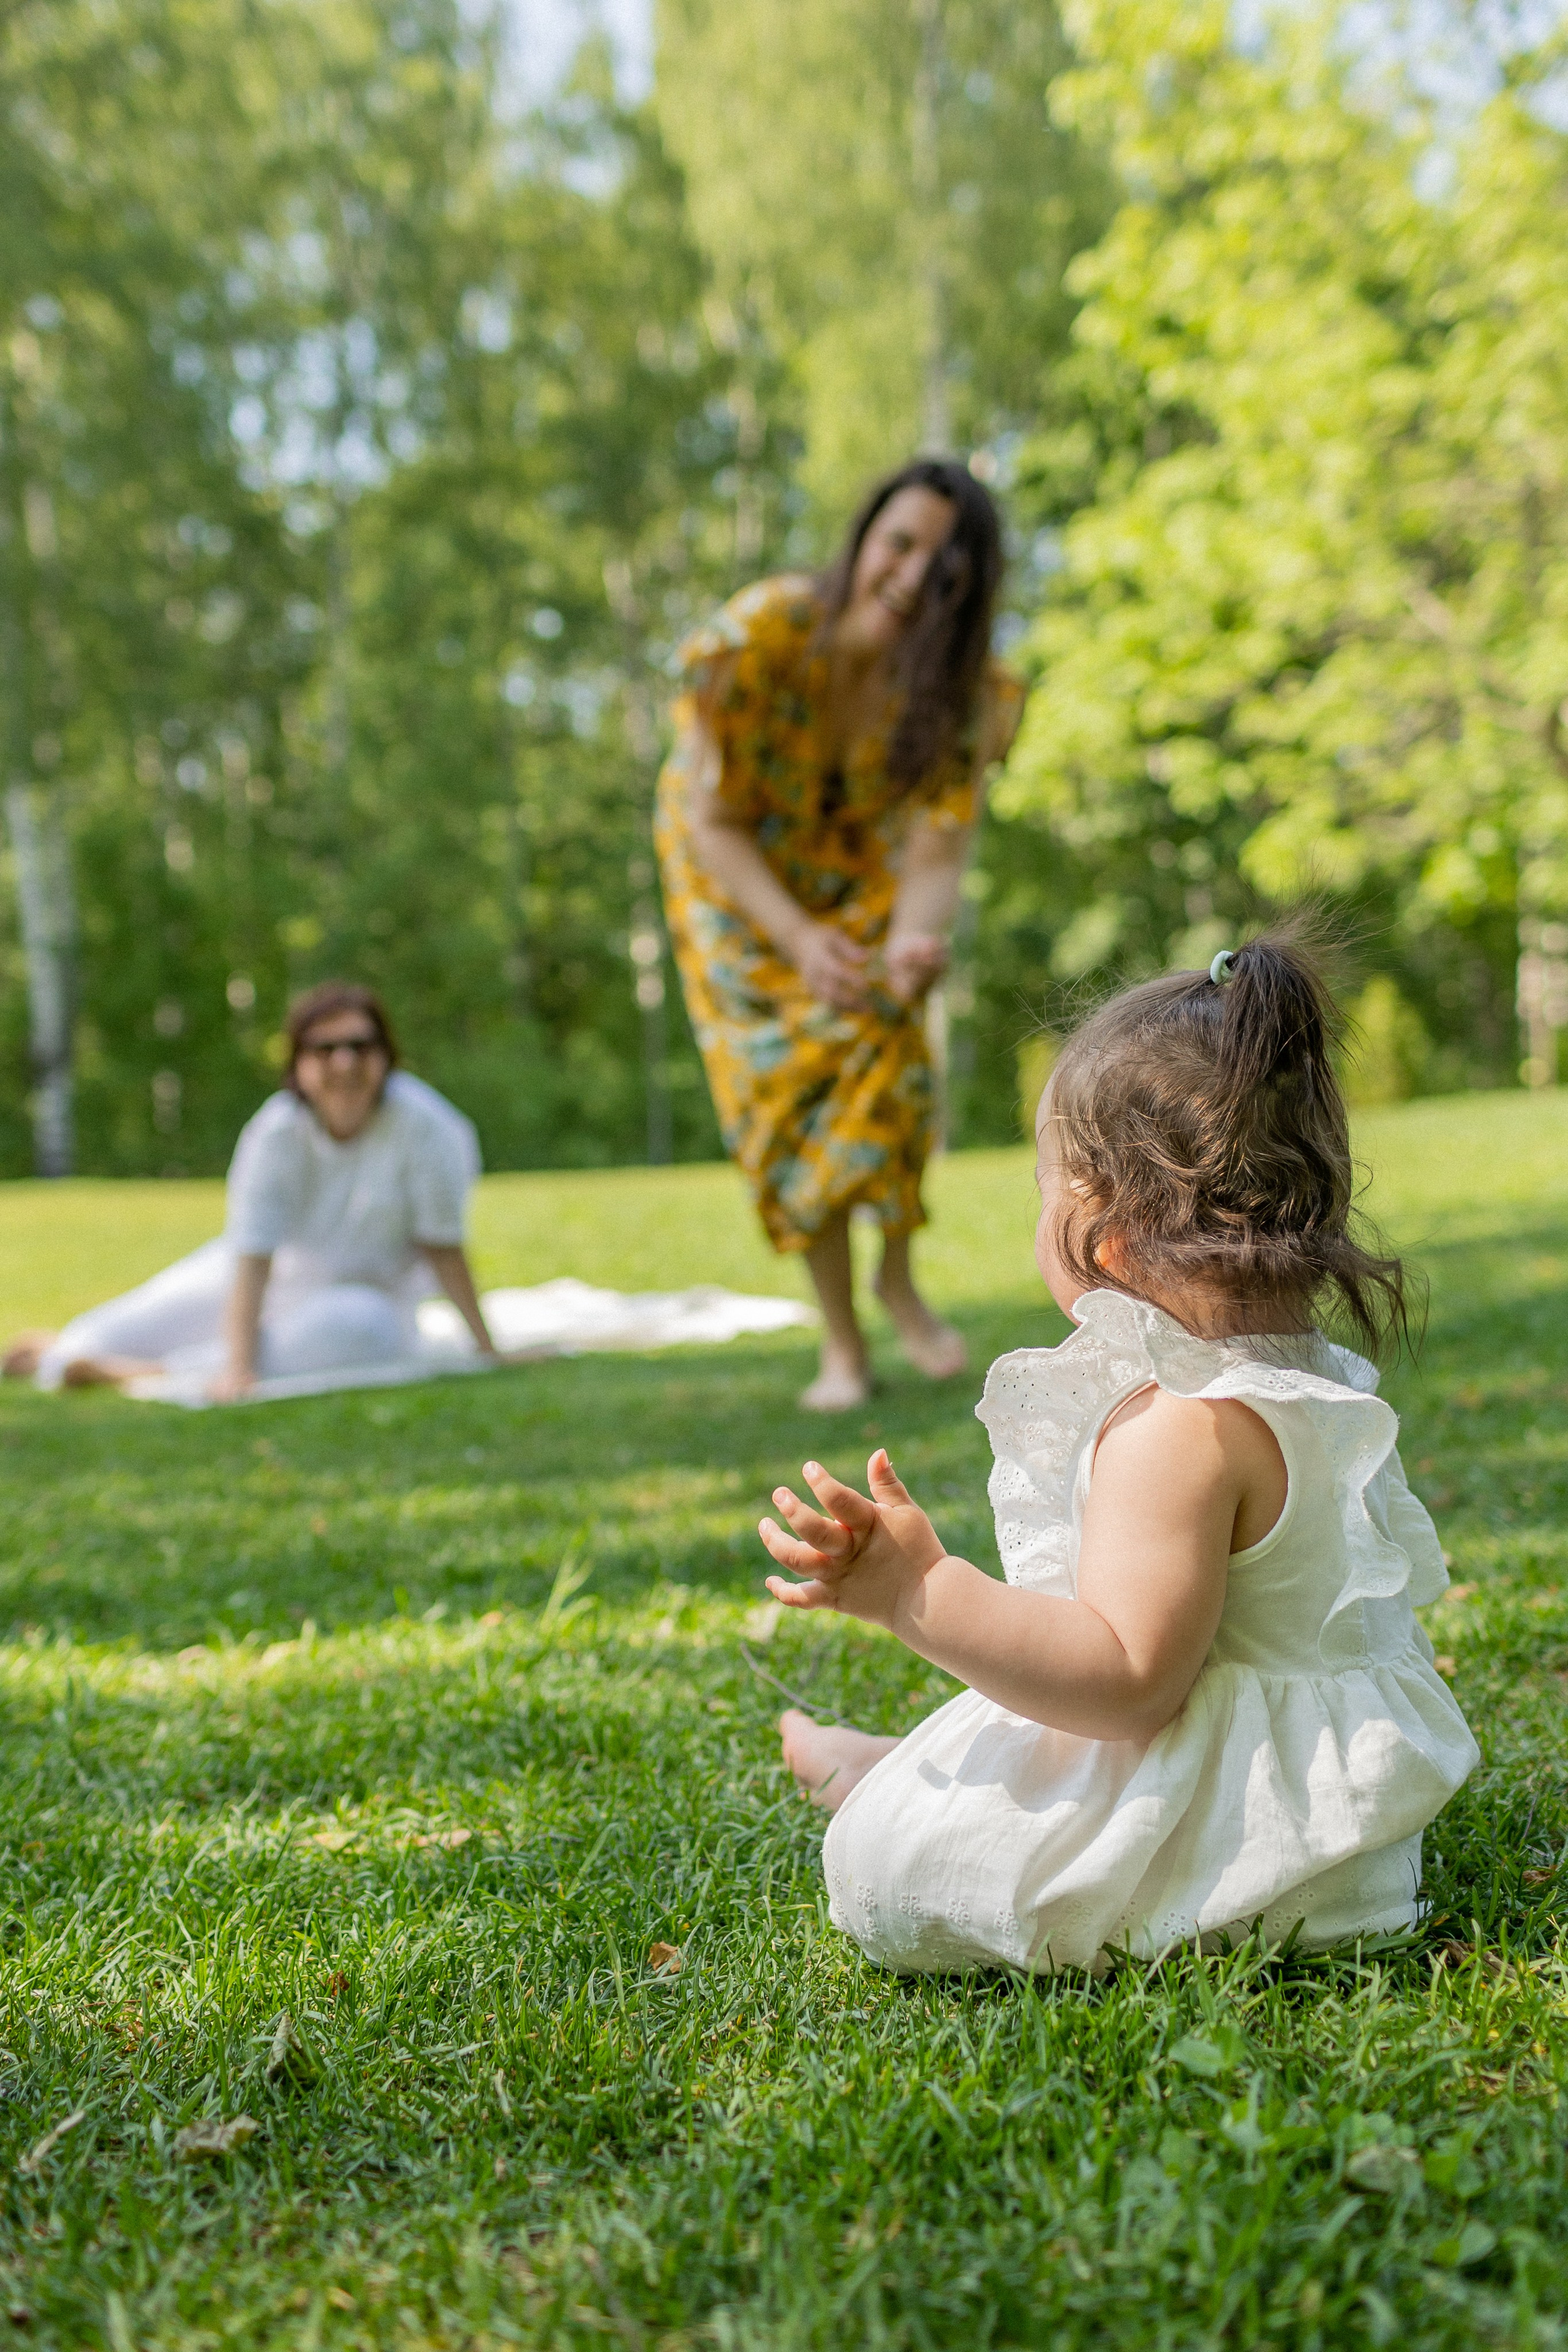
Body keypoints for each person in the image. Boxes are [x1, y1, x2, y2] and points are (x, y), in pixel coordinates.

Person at [756, 935, 1480, 1972]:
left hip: (1208, 1860)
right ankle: (886, 1761)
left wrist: (917, 1591)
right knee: (974, 1756)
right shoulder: (1310, 1381)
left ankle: (872, 1783)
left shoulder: (1179, 1426)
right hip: (1341, 1866)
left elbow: (1126, 1682)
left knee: (886, 1865)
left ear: (1100, 1235)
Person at [655, 458, 1025, 1412]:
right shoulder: (763, 635)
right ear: (864, 537)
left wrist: (911, 943)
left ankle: (895, 1274)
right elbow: (716, 819)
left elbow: (938, 854)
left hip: (856, 870)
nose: (911, 578)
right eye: (899, 543)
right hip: (731, 877)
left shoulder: (961, 695)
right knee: (787, 1099)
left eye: (945, 570)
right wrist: (796, 937)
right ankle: (843, 1346)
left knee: (889, 1045)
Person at [4, 982, 499, 1400]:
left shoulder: (428, 1127)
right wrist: (240, 1365)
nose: (345, 1063)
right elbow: (253, 1253)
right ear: (299, 1065)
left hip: (365, 1297)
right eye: (325, 1050)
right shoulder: (276, 1132)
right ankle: (66, 1353)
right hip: (267, 1278)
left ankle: (151, 1374)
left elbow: (442, 1244)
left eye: (361, 1046)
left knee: (364, 1330)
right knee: (104, 1333)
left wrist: (486, 1348)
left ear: (386, 1055)